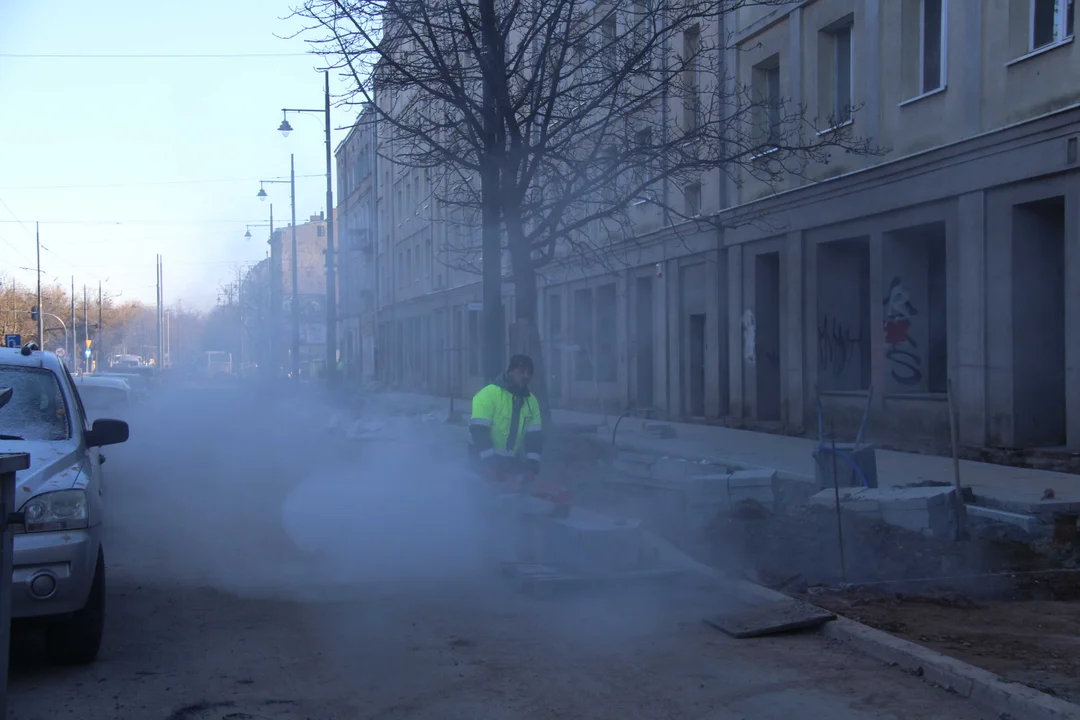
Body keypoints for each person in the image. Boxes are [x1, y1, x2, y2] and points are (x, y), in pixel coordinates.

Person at [469, 354, 544, 481]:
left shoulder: (532, 402)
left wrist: (532, 465)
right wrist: (490, 464)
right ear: (511, 372)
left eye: (529, 372)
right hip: (480, 459)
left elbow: (534, 436)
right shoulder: (488, 394)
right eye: (521, 371)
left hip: (510, 461)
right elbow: (479, 431)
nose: (526, 376)